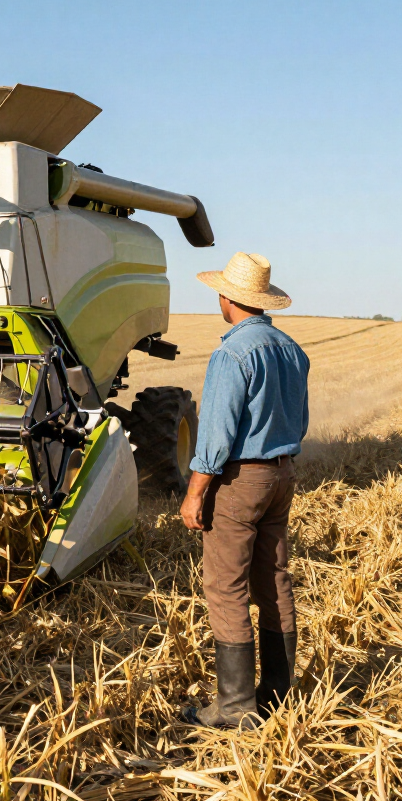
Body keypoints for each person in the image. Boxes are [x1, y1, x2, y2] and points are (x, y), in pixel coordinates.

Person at [180, 252, 310, 728]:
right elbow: (301, 420)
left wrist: (195, 492)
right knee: (274, 576)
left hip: (241, 480)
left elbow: (215, 435)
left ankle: (235, 707)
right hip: (282, 474)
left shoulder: (233, 353)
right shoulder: (293, 350)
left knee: (225, 585)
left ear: (226, 298)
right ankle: (277, 694)